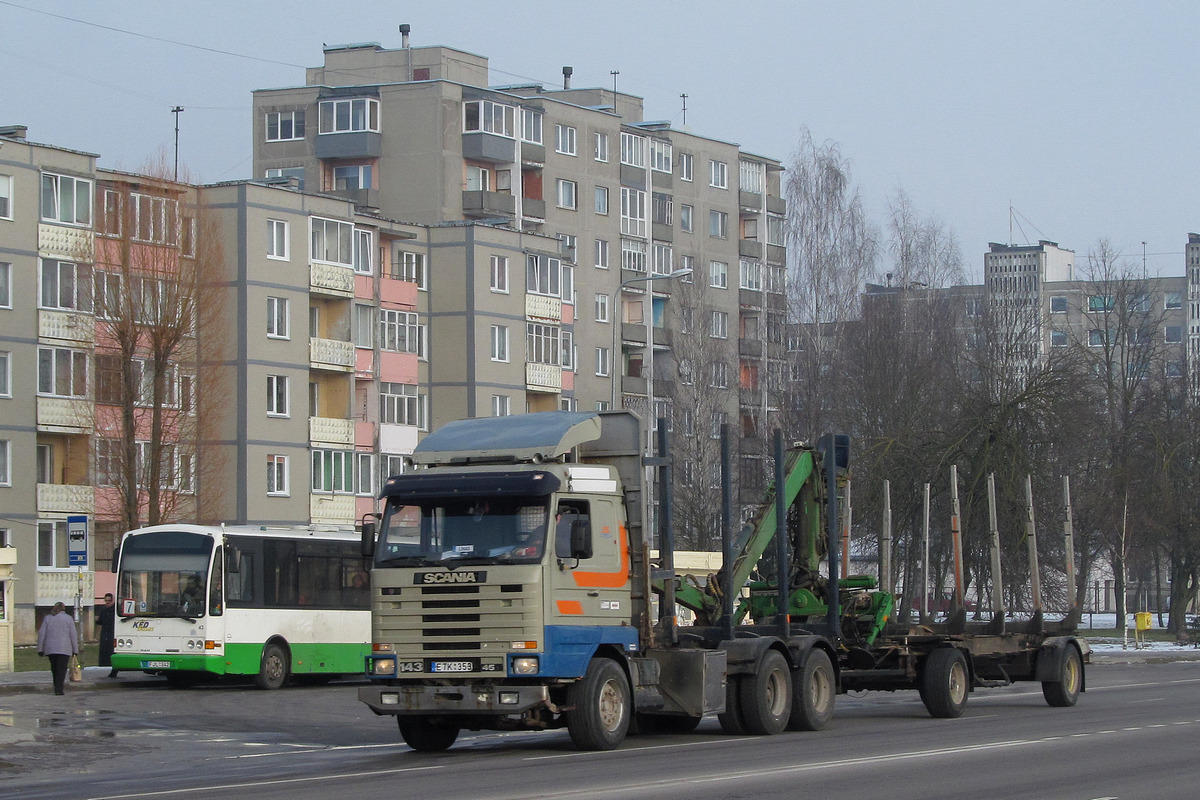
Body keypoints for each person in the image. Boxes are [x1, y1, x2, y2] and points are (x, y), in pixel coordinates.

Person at [37, 602, 79, 696]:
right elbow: (73, 635)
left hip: (51, 649)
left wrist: (40, 649)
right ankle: (59, 689)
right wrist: (75, 650)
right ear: (64, 609)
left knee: (54, 668)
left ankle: (56, 686)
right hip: (64, 649)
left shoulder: (48, 618)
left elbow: (41, 634)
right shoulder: (68, 619)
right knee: (62, 669)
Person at [95, 592, 118, 678]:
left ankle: (114, 670)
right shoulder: (103, 609)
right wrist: (97, 620)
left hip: (112, 633)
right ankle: (105, 666)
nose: (107, 602)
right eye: (106, 601)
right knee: (105, 652)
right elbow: (101, 621)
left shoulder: (115, 609)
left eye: (109, 601)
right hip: (105, 633)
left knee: (112, 652)